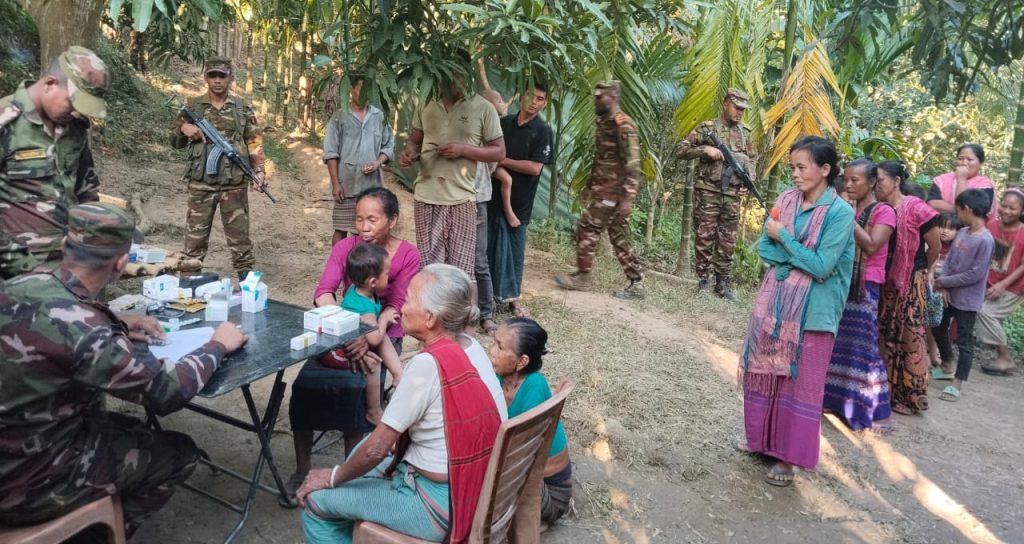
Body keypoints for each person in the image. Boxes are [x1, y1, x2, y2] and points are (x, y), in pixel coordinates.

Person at [0, 203, 247, 535]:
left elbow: (59, 313)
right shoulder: (89, 333)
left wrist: (113, 320)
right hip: (27, 486)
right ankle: (102, 535)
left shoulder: (19, 284)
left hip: (16, 449)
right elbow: (166, 392)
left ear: (64, 245)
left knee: (129, 427)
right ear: (120, 263)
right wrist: (217, 345)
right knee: (181, 453)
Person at [296, 264, 502, 543]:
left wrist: (332, 477)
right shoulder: (465, 348)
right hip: (465, 489)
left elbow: (377, 448)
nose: (401, 307)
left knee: (317, 502)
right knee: (358, 457)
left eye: (409, 300)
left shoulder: (426, 365)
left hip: (435, 505)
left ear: (430, 318)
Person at [739, 136, 853, 487]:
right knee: (767, 373)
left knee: (800, 384)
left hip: (815, 312)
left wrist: (786, 241)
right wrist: (797, 257)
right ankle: (761, 442)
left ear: (825, 169)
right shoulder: (786, 199)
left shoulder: (840, 213)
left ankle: (788, 458)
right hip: (775, 304)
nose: (795, 174)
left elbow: (822, 266)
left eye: (802, 167)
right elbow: (765, 249)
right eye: (792, 167)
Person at [289, 187, 421, 490]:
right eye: (359, 219)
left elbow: (396, 304)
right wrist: (347, 329)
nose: (364, 227)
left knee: (357, 389)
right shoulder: (345, 248)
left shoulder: (408, 254)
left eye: (372, 220)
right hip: (341, 331)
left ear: (392, 220)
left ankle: (350, 472)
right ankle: (302, 468)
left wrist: (369, 330)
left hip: (382, 333)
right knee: (304, 388)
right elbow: (324, 292)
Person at [0, 46, 109, 280]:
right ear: (50, 83)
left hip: (69, 265)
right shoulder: (6, 122)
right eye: (73, 103)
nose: (76, 112)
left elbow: (86, 192)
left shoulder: (74, 129)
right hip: (14, 274)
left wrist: (92, 245)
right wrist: (20, 264)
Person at [398, 52, 505, 277]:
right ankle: (433, 302)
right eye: (446, 73)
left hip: (462, 198)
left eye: (458, 73)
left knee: (461, 271)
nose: (452, 79)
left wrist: (464, 150)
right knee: (431, 270)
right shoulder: (426, 102)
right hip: (426, 195)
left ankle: (460, 302)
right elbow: (414, 141)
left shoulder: (483, 107)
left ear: (467, 74)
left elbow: (499, 151)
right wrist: (410, 154)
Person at [171, 56, 268, 280]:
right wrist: (184, 128)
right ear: (205, 78)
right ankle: (188, 286)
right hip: (200, 185)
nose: (217, 80)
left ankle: (247, 288)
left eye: (222, 76)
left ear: (230, 78)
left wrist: (260, 171)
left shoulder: (242, 109)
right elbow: (174, 142)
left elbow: (254, 142)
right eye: (212, 75)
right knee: (194, 242)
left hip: (234, 185)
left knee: (240, 242)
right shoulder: (193, 106)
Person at [823, 159, 895, 432]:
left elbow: (873, 244)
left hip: (866, 285)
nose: (849, 184)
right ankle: (837, 401)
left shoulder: (885, 212)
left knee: (864, 348)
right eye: (847, 180)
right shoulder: (851, 208)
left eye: (856, 180)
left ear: (872, 183)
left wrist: (847, 218)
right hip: (843, 281)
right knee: (839, 344)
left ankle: (880, 412)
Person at [555, 81, 644, 299]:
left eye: (600, 97)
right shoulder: (604, 122)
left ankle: (583, 276)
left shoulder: (623, 125)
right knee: (619, 236)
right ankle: (637, 282)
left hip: (614, 193)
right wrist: (589, 187)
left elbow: (633, 165)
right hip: (603, 190)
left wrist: (627, 199)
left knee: (587, 226)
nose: (595, 101)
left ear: (613, 97)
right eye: (595, 97)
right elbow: (600, 160)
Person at [490, 317, 572, 528]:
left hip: (549, 494)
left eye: (500, 347)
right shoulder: (499, 377)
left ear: (522, 362)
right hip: (528, 476)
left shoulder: (534, 386)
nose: (491, 351)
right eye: (493, 342)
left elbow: (519, 456)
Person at [675, 89, 757, 300]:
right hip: (708, 192)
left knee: (728, 240)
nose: (740, 113)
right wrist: (704, 150)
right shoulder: (707, 128)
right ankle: (704, 281)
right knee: (704, 237)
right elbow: (681, 150)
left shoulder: (745, 133)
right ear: (726, 103)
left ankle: (722, 283)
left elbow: (752, 159)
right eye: (737, 108)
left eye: (743, 110)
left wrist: (749, 179)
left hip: (732, 195)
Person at [875, 160, 941, 416]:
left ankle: (912, 396)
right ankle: (887, 392)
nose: (876, 184)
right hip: (886, 280)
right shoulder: (878, 207)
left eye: (880, 179)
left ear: (896, 181)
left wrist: (922, 271)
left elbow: (934, 246)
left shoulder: (917, 208)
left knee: (910, 336)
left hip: (912, 280)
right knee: (886, 333)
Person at [489, 82, 553, 318]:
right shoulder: (503, 124)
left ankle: (514, 301)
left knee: (515, 254)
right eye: (531, 96)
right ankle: (489, 298)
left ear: (545, 103)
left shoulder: (543, 131)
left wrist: (501, 160)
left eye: (540, 99)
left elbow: (535, 168)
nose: (534, 102)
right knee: (489, 249)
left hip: (521, 204)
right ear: (521, 97)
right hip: (492, 198)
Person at [930, 189, 995, 401]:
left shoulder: (985, 240)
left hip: (967, 300)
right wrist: (943, 284)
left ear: (967, 210)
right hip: (948, 293)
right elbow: (950, 260)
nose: (957, 214)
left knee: (965, 340)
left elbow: (975, 274)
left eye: (958, 210)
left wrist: (944, 281)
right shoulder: (963, 232)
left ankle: (958, 382)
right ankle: (947, 363)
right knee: (938, 325)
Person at [323, 73, 395, 243]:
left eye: (368, 91)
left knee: (366, 231)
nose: (364, 95)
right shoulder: (340, 116)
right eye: (361, 90)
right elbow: (330, 152)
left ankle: (361, 260)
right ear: (351, 90)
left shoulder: (379, 117)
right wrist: (336, 184)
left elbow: (389, 146)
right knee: (341, 228)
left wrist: (378, 162)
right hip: (345, 184)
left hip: (370, 186)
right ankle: (339, 260)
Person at [339, 243, 405, 425]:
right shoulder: (364, 308)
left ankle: (399, 374)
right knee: (373, 363)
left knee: (382, 336)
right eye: (386, 273)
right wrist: (383, 319)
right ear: (373, 282)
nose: (389, 276)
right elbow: (374, 339)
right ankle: (374, 411)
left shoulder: (361, 290)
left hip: (356, 339)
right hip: (344, 349)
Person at [977, 189, 1024, 376]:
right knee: (993, 317)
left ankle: (1006, 358)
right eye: (1004, 206)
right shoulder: (991, 226)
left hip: (1014, 285)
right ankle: (1001, 357)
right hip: (991, 281)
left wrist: (1003, 285)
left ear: (1021, 211)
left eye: (1013, 208)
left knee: (986, 313)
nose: (1006, 211)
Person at [473, 89, 507, 333]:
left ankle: (486, 314)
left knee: (479, 260)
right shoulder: (468, 129)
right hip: (455, 199)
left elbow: (493, 164)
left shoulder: (492, 136)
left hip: (477, 199)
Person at [927, 143, 997, 217]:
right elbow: (932, 204)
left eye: (970, 159)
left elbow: (974, 212)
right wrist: (960, 210)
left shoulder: (985, 185)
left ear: (980, 163)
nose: (964, 163)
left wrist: (961, 180)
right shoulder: (941, 180)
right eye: (960, 159)